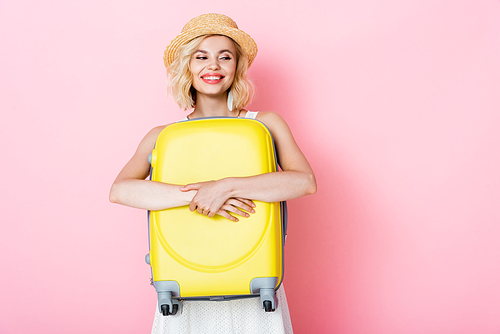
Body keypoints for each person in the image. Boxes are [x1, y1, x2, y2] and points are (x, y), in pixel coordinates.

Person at [109, 13, 316, 334]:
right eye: (201, 57)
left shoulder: (265, 123)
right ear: (186, 67)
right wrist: (200, 194)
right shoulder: (163, 135)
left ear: (237, 67)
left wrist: (226, 187)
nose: (214, 66)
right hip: (183, 282)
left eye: (225, 57)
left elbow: (303, 181)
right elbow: (121, 190)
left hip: (255, 276)